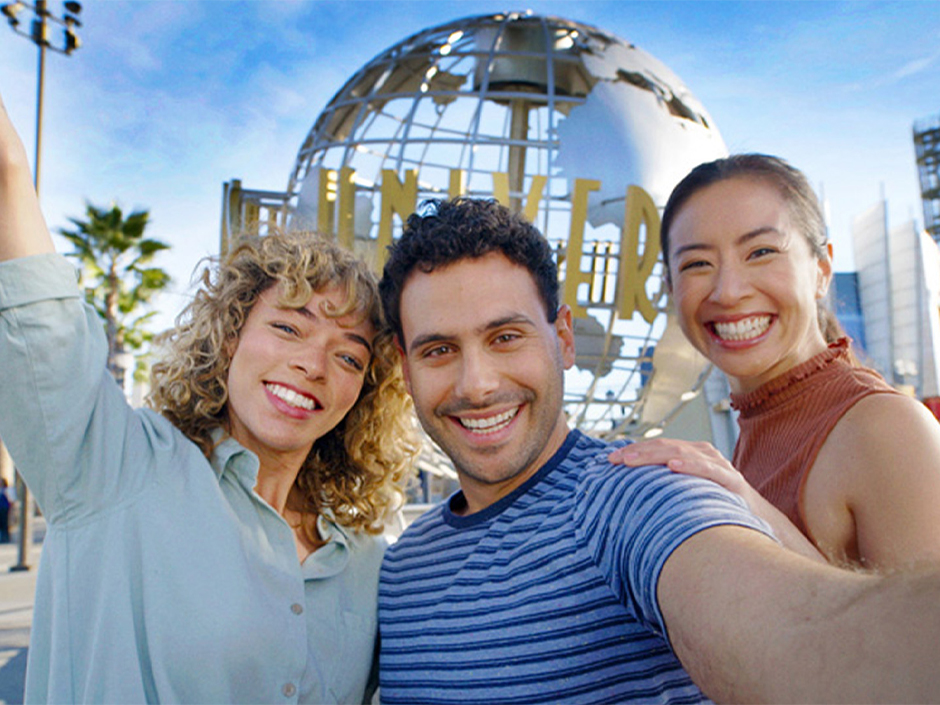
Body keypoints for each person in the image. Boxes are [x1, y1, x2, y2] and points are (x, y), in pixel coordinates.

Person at [376, 196, 940, 705]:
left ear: (565, 339)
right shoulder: (400, 568)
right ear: (405, 368)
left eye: (506, 337)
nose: (476, 384)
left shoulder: (636, 491)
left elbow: (809, 636)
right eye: (439, 350)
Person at [0, 91, 416, 703]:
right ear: (228, 339)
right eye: (288, 327)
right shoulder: (112, 468)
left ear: (362, 393)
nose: (313, 363)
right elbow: (37, 305)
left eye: (349, 355)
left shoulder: (366, 559)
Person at [608, 154, 940, 571]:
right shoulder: (750, 434)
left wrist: (752, 510)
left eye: (761, 251)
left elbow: (920, 633)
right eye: (697, 264)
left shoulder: (886, 428)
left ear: (821, 270)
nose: (728, 291)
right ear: (671, 287)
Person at [0, 476, 10, 543]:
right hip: (1, 508)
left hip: (4, 508)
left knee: (4, 523)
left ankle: (5, 537)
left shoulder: (6, 490)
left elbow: (10, 500)